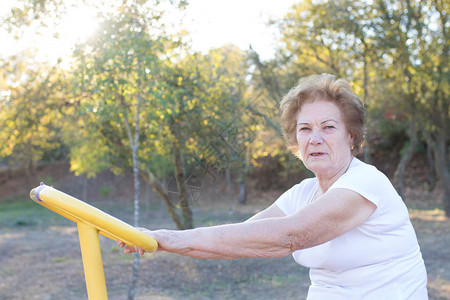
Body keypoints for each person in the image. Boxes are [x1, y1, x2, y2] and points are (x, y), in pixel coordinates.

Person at [119, 74, 428, 299]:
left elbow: (287, 236)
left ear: (351, 136)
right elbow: (241, 239)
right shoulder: (302, 194)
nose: (314, 138)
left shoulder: (365, 184)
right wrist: (157, 241)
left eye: (328, 127)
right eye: (305, 129)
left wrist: (166, 237)